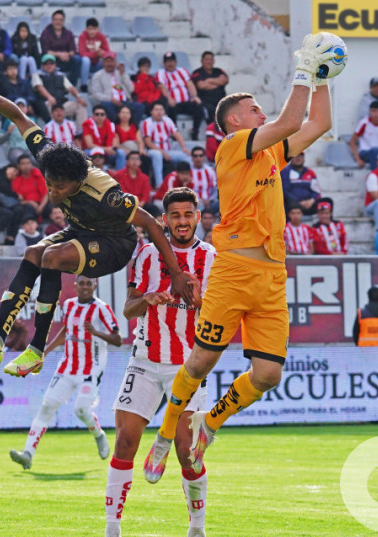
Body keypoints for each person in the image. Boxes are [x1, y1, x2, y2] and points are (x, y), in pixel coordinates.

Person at [142, 34, 341, 478]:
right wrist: (303, 71)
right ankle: (166, 430)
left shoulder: (268, 151)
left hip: (271, 277)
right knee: (200, 361)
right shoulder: (232, 146)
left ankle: (208, 424)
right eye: (254, 110)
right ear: (234, 120)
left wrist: (324, 77)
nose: (262, 114)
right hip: (233, 271)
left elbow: (318, 123)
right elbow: (292, 119)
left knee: (268, 375)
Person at [0, 64, 196, 377]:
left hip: (115, 244)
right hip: (82, 230)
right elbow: (18, 116)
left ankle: (36, 350)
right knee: (32, 254)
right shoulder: (51, 155)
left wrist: (175, 272)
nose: (53, 193)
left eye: (61, 187)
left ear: (79, 182)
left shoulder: (105, 193)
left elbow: (148, 222)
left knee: (51, 257)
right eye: (50, 183)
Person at [103, 187, 216, 537]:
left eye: (189, 214)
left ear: (197, 216)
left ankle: (197, 533)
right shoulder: (146, 255)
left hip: (188, 366)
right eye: (175, 216)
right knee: (124, 442)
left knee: (188, 451)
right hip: (145, 361)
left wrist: (201, 300)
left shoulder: (210, 258)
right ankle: (112, 534)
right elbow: (128, 308)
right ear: (164, 220)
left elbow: (220, 313)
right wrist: (147, 299)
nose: (182, 221)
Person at [10, 275, 118, 470]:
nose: (85, 287)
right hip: (67, 366)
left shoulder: (101, 308)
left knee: (81, 409)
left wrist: (96, 332)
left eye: (89, 283)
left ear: (95, 284)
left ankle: (99, 435)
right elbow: (65, 332)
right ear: (75, 285)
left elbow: (117, 339)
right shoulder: (68, 305)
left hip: (90, 368)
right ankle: (27, 454)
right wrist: (45, 352)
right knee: (46, 407)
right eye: (82, 283)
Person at [157, 52, 204, 141]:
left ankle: (195, 131)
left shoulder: (182, 71)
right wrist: (169, 99)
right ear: (164, 63)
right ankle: (174, 133)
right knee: (169, 108)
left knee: (199, 106)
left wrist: (194, 96)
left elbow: (189, 84)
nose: (170, 64)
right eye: (167, 62)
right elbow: (162, 87)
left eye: (171, 61)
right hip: (173, 103)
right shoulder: (161, 73)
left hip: (186, 102)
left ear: (176, 62)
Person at [141, 101, 191, 186]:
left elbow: (177, 134)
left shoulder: (167, 120)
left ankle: (188, 182)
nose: (159, 112)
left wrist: (183, 147)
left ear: (164, 111)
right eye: (156, 110)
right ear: (151, 111)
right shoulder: (147, 122)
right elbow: (148, 142)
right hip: (152, 150)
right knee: (157, 155)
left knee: (185, 156)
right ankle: (159, 185)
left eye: (161, 109)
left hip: (167, 150)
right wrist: (163, 152)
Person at [31, 53, 87, 125]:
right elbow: (39, 87)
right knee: (47, 105)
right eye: (46, 63)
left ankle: (80, 133)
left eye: (51, 63)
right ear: (42, 65)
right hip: (47, 103)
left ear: (55, 64)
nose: (49, 65)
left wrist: (78, 96)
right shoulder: (37, 74)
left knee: (81, 106)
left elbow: (70, 87)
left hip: (62, 103)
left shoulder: (60, 75)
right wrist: (49, 97)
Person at [90, 50, 142, 125]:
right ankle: (117, 127)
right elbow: (95, 94)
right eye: (107, 61)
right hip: (110, 102)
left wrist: (123, 75)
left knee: (139, 107)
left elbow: (131, 89)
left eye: (111, 61)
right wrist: (111, 99)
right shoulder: (98, 75)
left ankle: (132, 128)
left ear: (115, 63)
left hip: (124, 102)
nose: (109, 64)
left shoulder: (120, 73)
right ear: (103, 63)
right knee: (106, 105)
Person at [40, 10, 81, 88]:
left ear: (63, 21)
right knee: (47, 58)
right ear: (52, 21)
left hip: (66, 60)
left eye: (60, 20)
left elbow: (73, 50)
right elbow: (46, 50)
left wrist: (67, 55)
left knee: (77, 59)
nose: (58, 22)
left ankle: (72, 85)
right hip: (52, 60)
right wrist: (59, 55)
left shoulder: (69, 33)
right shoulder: (46, 33)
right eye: (56, 20)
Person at [280, 151, 322, 215]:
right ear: (291, 158)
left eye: (300, 156)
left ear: (304, 158)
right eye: (296, 156)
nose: (298, 158)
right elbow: (284, 191)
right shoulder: (285, 171)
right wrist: (298, 202)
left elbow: (316, 191)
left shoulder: (310, 172)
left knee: (326, 201)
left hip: (309, 204)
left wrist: (311, 200)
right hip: (292, 204)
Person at [191, 51, 228, 123]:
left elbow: (224, 81)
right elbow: (201, 86)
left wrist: (209, 80)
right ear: (202, 61)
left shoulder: (218, 71)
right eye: (207, 59)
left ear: (214, 61)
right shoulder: (197, 72)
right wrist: (218, 82)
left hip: (221, 100)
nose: (209, 61)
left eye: (211, 59)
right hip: (206, 102)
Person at [82, 104, 122, 170]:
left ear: (105, 116)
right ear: (93, 115)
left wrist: (112, 148)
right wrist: (106, 149)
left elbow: (115, 139)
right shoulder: (87, 124)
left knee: (121, 153)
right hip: (92, 150)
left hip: (106, 152)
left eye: (102, 114)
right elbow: (89, 145)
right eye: (97, 114)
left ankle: (120, 176)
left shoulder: (110, 124)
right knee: (86, 153)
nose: (99, 116)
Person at [77, 17, 110, 89]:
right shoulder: (82, 36)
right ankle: (84, 85)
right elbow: (82, 53)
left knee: (108, 61)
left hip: (97, 64)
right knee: (86, 60)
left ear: (98, 29)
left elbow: (108, 52)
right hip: (85, 66)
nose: (92, 31)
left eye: (94, 29)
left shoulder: (101, 36)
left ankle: (108, 85)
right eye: (90, 29)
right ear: (86, 29)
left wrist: (102, 53)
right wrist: (96, 54)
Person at [190, 146, 216, 211]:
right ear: (192, 158)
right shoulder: (187, 171)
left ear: (204, 157)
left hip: (209, 202)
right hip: (191, 202)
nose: (198, 158)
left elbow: (215, 189)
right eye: (195, 156)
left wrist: (210, 200)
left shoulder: (210, 171)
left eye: (201, 156)